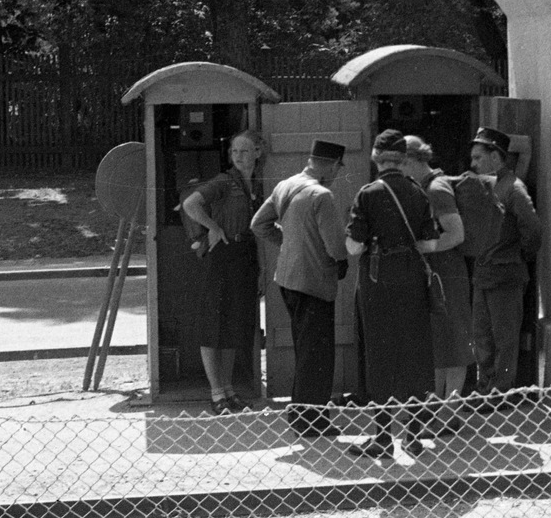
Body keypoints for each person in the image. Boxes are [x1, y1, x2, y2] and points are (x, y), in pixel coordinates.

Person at [346, 130, 441, 458]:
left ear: (375, 156)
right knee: (414, 355)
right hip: (412, 281)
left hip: (377, 284)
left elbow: (354, 246)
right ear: (403, 159)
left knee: (380, 357)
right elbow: (430, 244)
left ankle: (383, 437)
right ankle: (413, 436)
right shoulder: (417, 192)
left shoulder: (368, 194)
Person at [251, 139, 348, 438]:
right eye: (337, 168)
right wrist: (341, 262)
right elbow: (335, 247)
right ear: (332, 165)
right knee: (317, 355)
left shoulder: (285, 186)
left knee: (305, 350)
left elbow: (259, 224)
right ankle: (311, 420)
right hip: (314, 283)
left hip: (288, 281)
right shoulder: (322, 195)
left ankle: (300, 412)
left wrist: (290, 245)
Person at [181, 129, 264, 413]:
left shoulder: (257, 183)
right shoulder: (224, 182)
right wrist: (213, 227)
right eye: (235, 151)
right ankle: (217, 394)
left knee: (234, 325)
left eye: (245, 150)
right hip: (222, 255)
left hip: (244, 255)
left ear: (258, 152)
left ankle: (228, 390)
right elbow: (190, 204)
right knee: (212, 325)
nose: (239, 156)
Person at [468, 126, 542, 394]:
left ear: (496, 157)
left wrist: (517, 254)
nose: (473, 163)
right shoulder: (488, 186)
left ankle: (500, 391)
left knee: (504, 338)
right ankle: (485, 387)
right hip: (484, 275)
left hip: (505, 274)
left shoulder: (513, 188)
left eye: (478, 157)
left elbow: (533, 230)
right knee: (482, 337)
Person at [400, 134, 473, 400]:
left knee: (452, 344)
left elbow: (456, 234)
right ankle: (440, 407)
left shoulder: (436, 189)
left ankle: (449, 411)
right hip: (438, 274)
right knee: (440, 344)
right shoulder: (426, 187)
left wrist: (419, 246)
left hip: (447, 274)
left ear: (410, 160)